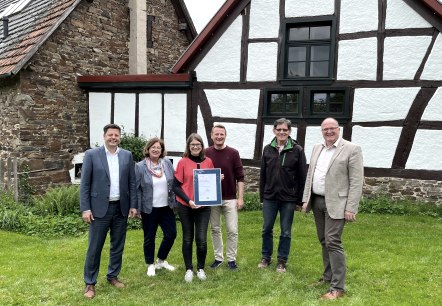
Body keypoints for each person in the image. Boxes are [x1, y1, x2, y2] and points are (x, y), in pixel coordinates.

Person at [302, 117, 364, 300]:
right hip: (318, 202)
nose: (329, 131)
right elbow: (310, 175)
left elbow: (356, 181)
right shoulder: (317, 148)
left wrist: (351, 207)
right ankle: (327, 277)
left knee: (333, 241)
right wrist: (306, 198)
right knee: (323, 240)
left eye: (332, 128)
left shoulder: (352, 149)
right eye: (325, 129)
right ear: (322, 131)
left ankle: (338, 288)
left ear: (339, 129)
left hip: (338, 204)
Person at [80, 123, 137, 299]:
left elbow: (132, 183)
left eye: (116, 135)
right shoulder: (92, 155)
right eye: (110, 135)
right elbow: (85, 184)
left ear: (120, 137)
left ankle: (113, 276)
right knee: (94, 248)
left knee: (117, 246)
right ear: (104, 136)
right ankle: (90, 283)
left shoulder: (127, 155)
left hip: (120, 208)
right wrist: (86, 208)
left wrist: (133, 205)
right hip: (98, 210)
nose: (113, 137)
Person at [258, 118, 307, 273]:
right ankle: (266, 257)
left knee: (286, 231)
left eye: (285, 130)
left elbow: (302, 176)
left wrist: (299, 200)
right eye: (279, 129)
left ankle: (282, 260)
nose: (281, 132)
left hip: (288, 198)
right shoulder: (267, 149)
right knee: (266, 228)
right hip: (270, 197)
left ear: (289, 132)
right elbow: (263, 176)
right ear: (274, 131)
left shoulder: (297, 150)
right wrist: (262, 197)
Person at [173, 133, 214, 282]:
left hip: (204, 207)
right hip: (186, 206)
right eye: (192, 145)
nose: (195, 147)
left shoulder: (208, 161)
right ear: (188, 147)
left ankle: (201, 268)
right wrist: (189, 200)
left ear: (202, 146)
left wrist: (217, 179)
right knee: (187, 238)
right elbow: (176, 187)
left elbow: (210, 184)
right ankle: (189, 269)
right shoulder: (183, 162)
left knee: (202, 239)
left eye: (198, 144)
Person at [135, 138, 177, 277]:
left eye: (158, 147)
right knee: (149, 237)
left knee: (171, 234)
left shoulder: (167, 164)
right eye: (153, 147)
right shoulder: (140, 166)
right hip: (149, 208)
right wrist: (137, 207)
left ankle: (161, 260)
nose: (155, 150)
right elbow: (136, 189)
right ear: (148, 149)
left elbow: (174, 182)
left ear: (162, 150)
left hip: (166, 206)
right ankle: (150, 264)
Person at [205, 124, 244, 270]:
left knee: (232, 230)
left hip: (230, 198)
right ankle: (218, 258)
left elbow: (240, 177)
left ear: (225, 135)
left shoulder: (233, 153)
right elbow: (201, 175)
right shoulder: (206, 152)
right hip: (212, 198)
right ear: (211, 135)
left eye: (221, 134)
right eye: (216, 134)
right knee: (215, 228)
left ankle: (231, 259)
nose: (219, 137)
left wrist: (240, 198)